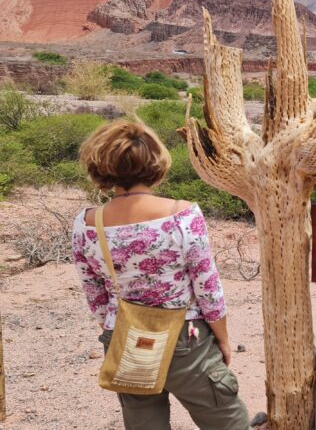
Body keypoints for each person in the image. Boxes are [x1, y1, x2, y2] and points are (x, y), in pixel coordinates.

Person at [71, 120, 250, 430]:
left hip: (125, 337)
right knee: (227, 421)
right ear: (155, 161)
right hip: (186, 336)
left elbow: (95, 296)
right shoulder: (182, 214)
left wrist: (120, 328)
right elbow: (207, 286)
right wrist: (222, 339)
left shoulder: (87, 223)